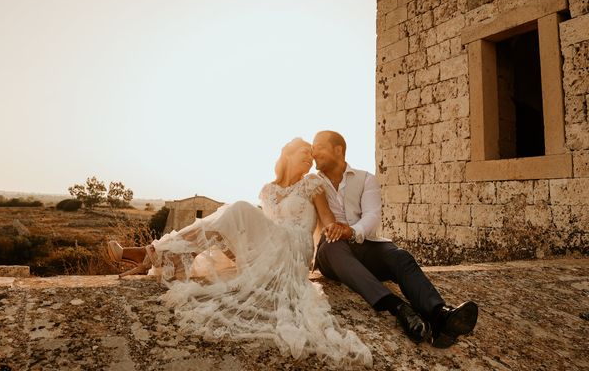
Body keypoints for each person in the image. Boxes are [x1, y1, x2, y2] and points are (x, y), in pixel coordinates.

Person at [107, 138, 373, 367]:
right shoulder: (268, 190)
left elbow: (328, 222)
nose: (310, 159)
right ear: (288, 154)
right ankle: (166, 256)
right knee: (230, 220)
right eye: (305, 153)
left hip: (293, 251)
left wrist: (350, 232)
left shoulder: (311, 184)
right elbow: (258, 231)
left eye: (312, 156)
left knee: (237, 210)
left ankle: (151, 253)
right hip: (268, 252)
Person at [312, 130, 478, 348]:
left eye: (319, 147)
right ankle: (399, 308)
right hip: (333, 255)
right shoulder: (313, 183)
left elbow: (372, 215)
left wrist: (351, 231)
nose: (314, 153)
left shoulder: (366, 179)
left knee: (400, 256)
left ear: (338, 149)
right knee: (333, 247)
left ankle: (440, 316)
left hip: (365, 245)